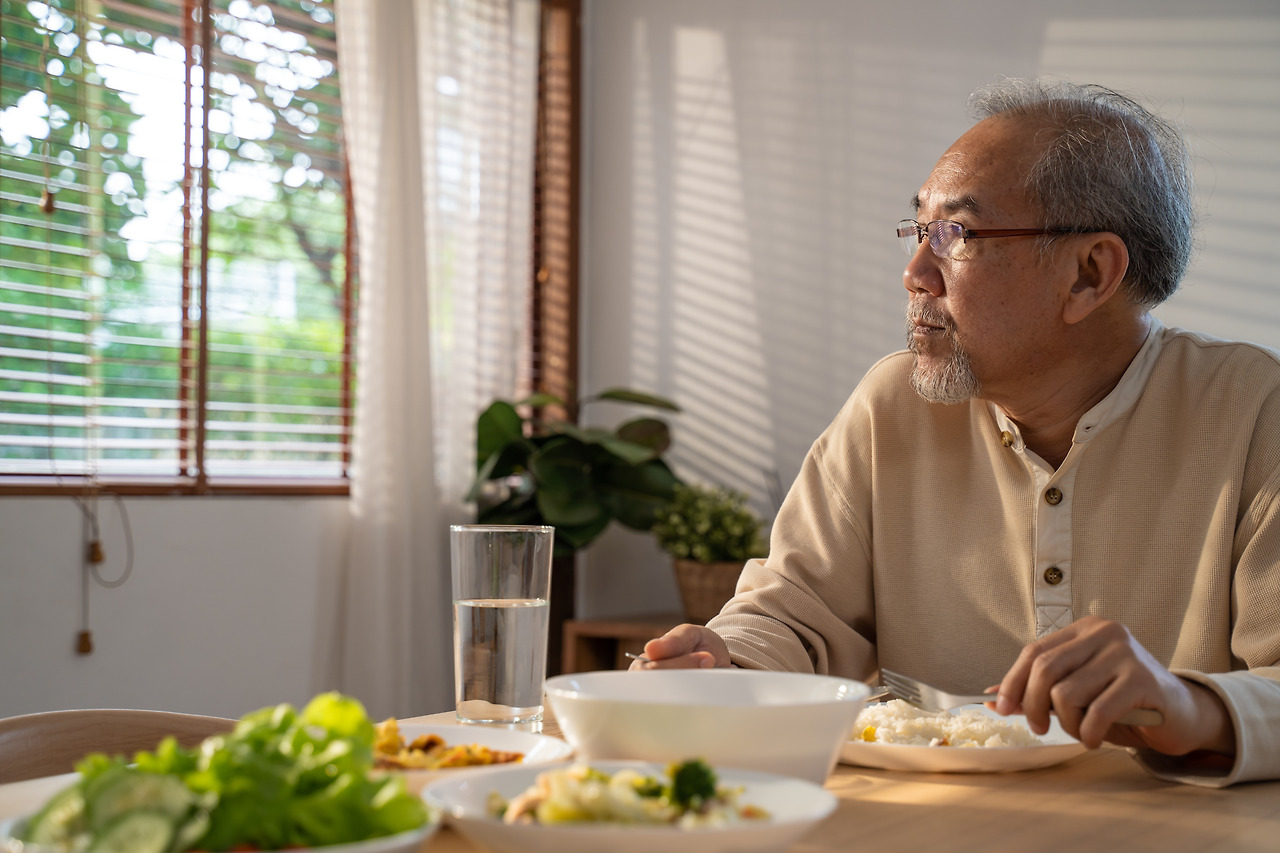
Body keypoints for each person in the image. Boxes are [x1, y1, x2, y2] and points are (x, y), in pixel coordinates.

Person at [633, 79, 1280, 787]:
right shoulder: (890, 407)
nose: (914, 273)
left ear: (1090, 273)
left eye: (956, 235)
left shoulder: (1253, 412)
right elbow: (795, 611)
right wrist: (723, 662)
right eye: (919, 231)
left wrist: (1189, 705)